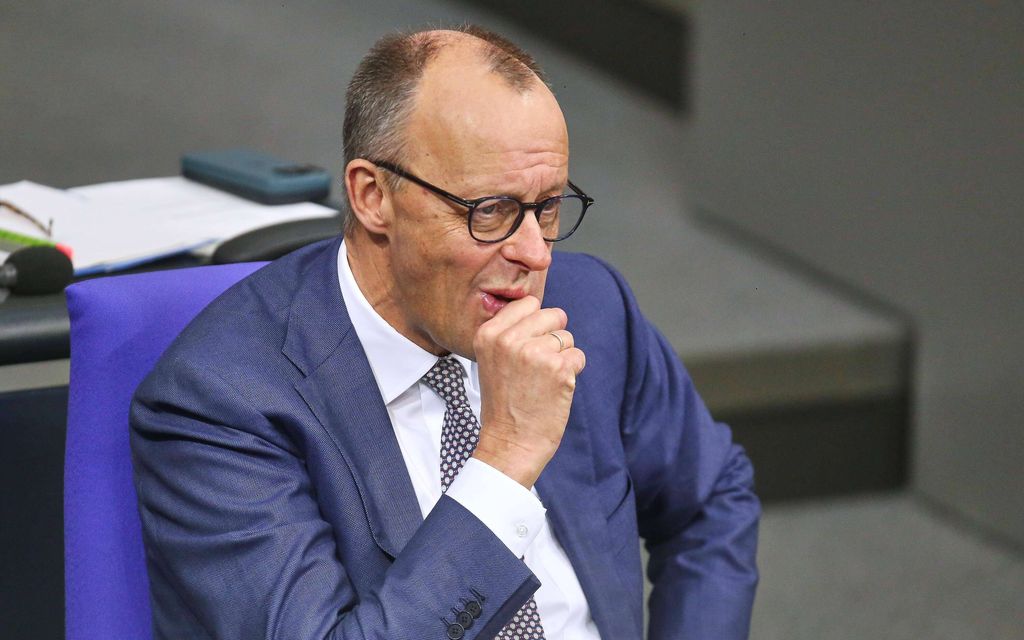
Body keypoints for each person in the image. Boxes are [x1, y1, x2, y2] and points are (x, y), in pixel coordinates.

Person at [130, 25, 760, 640]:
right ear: (373, 197)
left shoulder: (591, 307)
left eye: (547, 207)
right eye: (491, 210)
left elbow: (711, 501)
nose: (536, 253)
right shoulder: (220, 403)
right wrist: (505, 459)